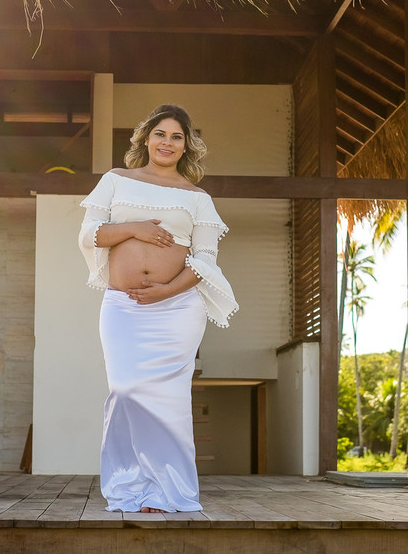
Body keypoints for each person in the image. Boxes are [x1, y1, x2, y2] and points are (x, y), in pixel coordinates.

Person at [79, 104, 238, 513]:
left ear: (187, 146)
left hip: (177, 308)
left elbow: (204, 261)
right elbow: (91, 234)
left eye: (177, 137)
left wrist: (166, 290)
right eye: (160, 134)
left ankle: (166, 493)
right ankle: (130, 486)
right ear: (145, 139)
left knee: (168, 399)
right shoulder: (116, 180)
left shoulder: (198, 198)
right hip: (123, 307)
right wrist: (136, 228)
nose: (167, 142)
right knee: (126, 391)